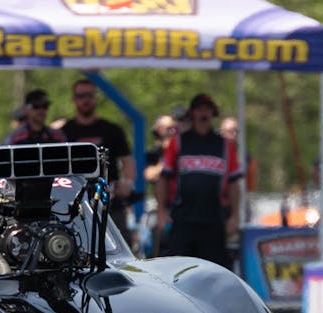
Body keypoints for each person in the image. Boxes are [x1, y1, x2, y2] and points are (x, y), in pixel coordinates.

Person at [156, 94, 242, 268]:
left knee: (214, 270)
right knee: (178, 269)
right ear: (193, 113)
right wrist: (161, 211)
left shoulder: (224, 145)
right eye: (199, 110)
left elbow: (234, 182)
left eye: (207, 110)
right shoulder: (179, 142)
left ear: (213, 113)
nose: (203, 114)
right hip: (183, 218)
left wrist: (235, 215)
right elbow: (164, 177)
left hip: (214, 219)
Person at [60, 78, 136, 243]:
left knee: (120, 246)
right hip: (74, 203)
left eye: (90, 95)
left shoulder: (112, 129)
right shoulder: (64, 132)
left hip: (109, 200)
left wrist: (128, 183)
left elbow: (127, 160)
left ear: (96, 98)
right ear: (74, 99)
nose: (86, 100)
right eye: (81, 96)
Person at [144, 114, 178, 256]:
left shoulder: (181, 150)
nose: (172, 131)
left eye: (175, 128)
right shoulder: (154, 153)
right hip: (160, 207)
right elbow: (149, 175)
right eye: (168, 128)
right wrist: (167, 160)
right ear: (158, 129)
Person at [2, 89, 67, 145]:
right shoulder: (14, 138)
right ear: (26, 109)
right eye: (36, 106)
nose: (41, 110)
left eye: (45, 106)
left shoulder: (57, 136)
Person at [219, 116, 258, 192]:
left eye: (236, 131)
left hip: (239, 193)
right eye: (230, 131)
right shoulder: (216, 152)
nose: (234, 134)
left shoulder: (245, 155)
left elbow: (251, 183)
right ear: (222, 133)